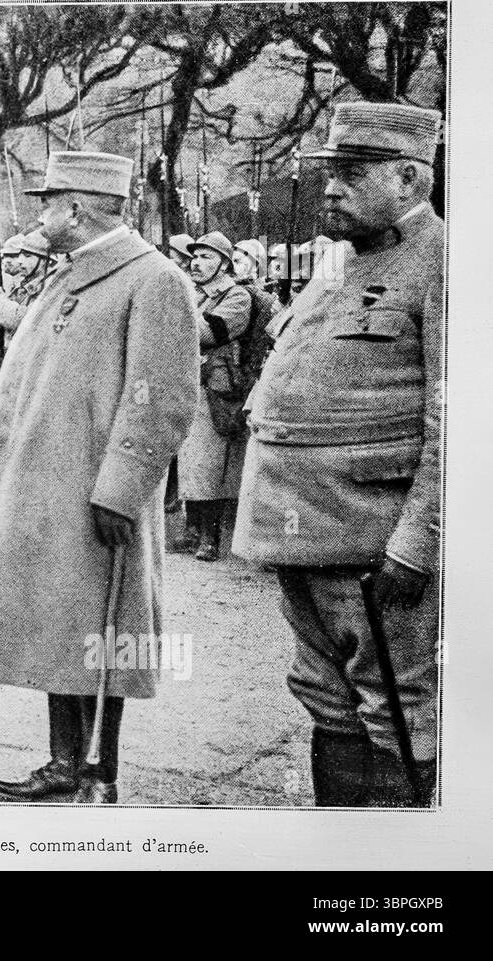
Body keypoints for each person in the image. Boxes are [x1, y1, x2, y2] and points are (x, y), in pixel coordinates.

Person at [0, 151, 198, 804]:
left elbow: (161, 397)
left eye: (48, 202)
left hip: (98, 498)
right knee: (62, 627)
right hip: (49, 496)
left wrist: (119, 489)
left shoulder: (153, 279)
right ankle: (62, 760)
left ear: (77, 209)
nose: (40, 214)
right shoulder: (69, 278)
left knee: (102, 634)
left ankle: (98, 771)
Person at [234, 103, 444, 808]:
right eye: (328, 174)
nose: (329, 189)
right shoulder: (338, 262)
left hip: (375, 540)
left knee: (394, 705)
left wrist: (418, 541)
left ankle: (397, 868)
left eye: (351, 174)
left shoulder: (443, 262)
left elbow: (456, 419)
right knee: (326, 698)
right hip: (305, 531)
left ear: (409, 179)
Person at [174, 232, 254, 562]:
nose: (196, 262)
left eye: (207, 257)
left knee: (212, 465)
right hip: (187, 382)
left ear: (223, 264)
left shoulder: (236, 297)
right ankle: (192, 529)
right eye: (194, 256)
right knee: (189, 461)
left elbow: (209, 333)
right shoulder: (192, 294)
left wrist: (174, 307)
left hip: (218, 388)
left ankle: (211, 535)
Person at [0, 229, 56, 345]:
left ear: (44, 260)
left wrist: (2, 304)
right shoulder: (22, 285)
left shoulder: (50, 285)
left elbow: (32, 321)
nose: (20, 261)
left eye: (27, 256)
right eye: (20, 256)